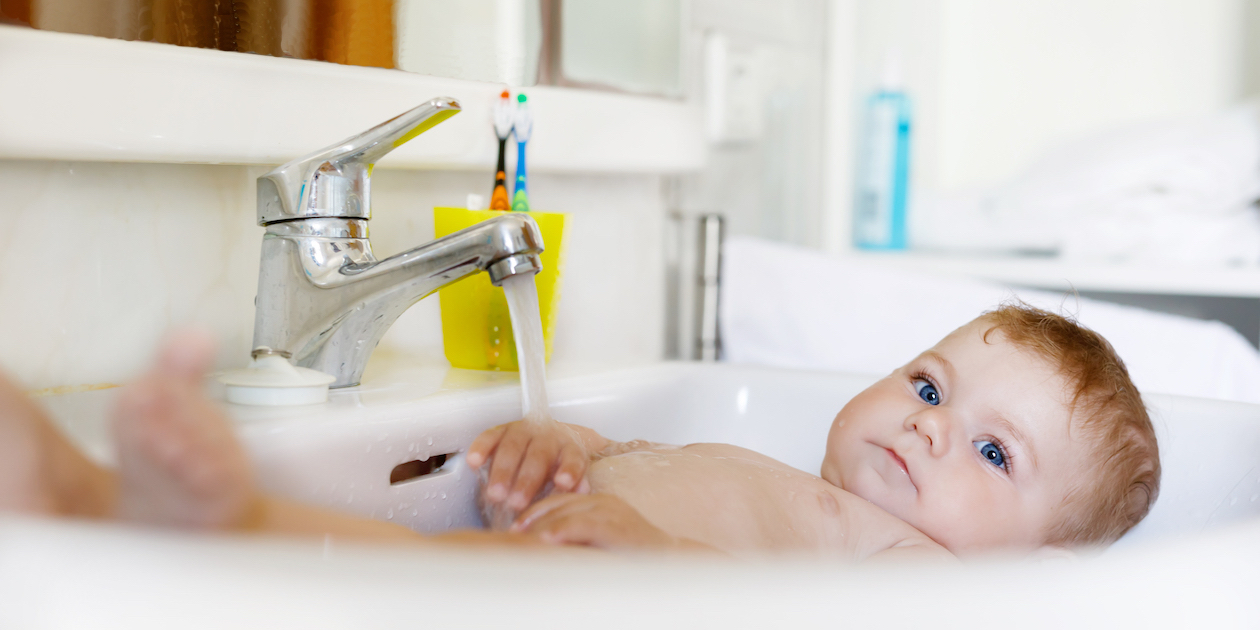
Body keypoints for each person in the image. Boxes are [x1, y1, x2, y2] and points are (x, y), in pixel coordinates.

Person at [0, 303, 1160, 561]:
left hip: (612, 594)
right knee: (389, 571)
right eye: (928, 384)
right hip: (560, 574)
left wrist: (658, 566)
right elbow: (632, 470)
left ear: (1034, 573)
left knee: (388, 580)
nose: (932, 429)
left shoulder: (923, 574)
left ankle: (146, 516)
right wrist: (564, 449)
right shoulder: (786, 481)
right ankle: (121, 508)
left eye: (996, 454)